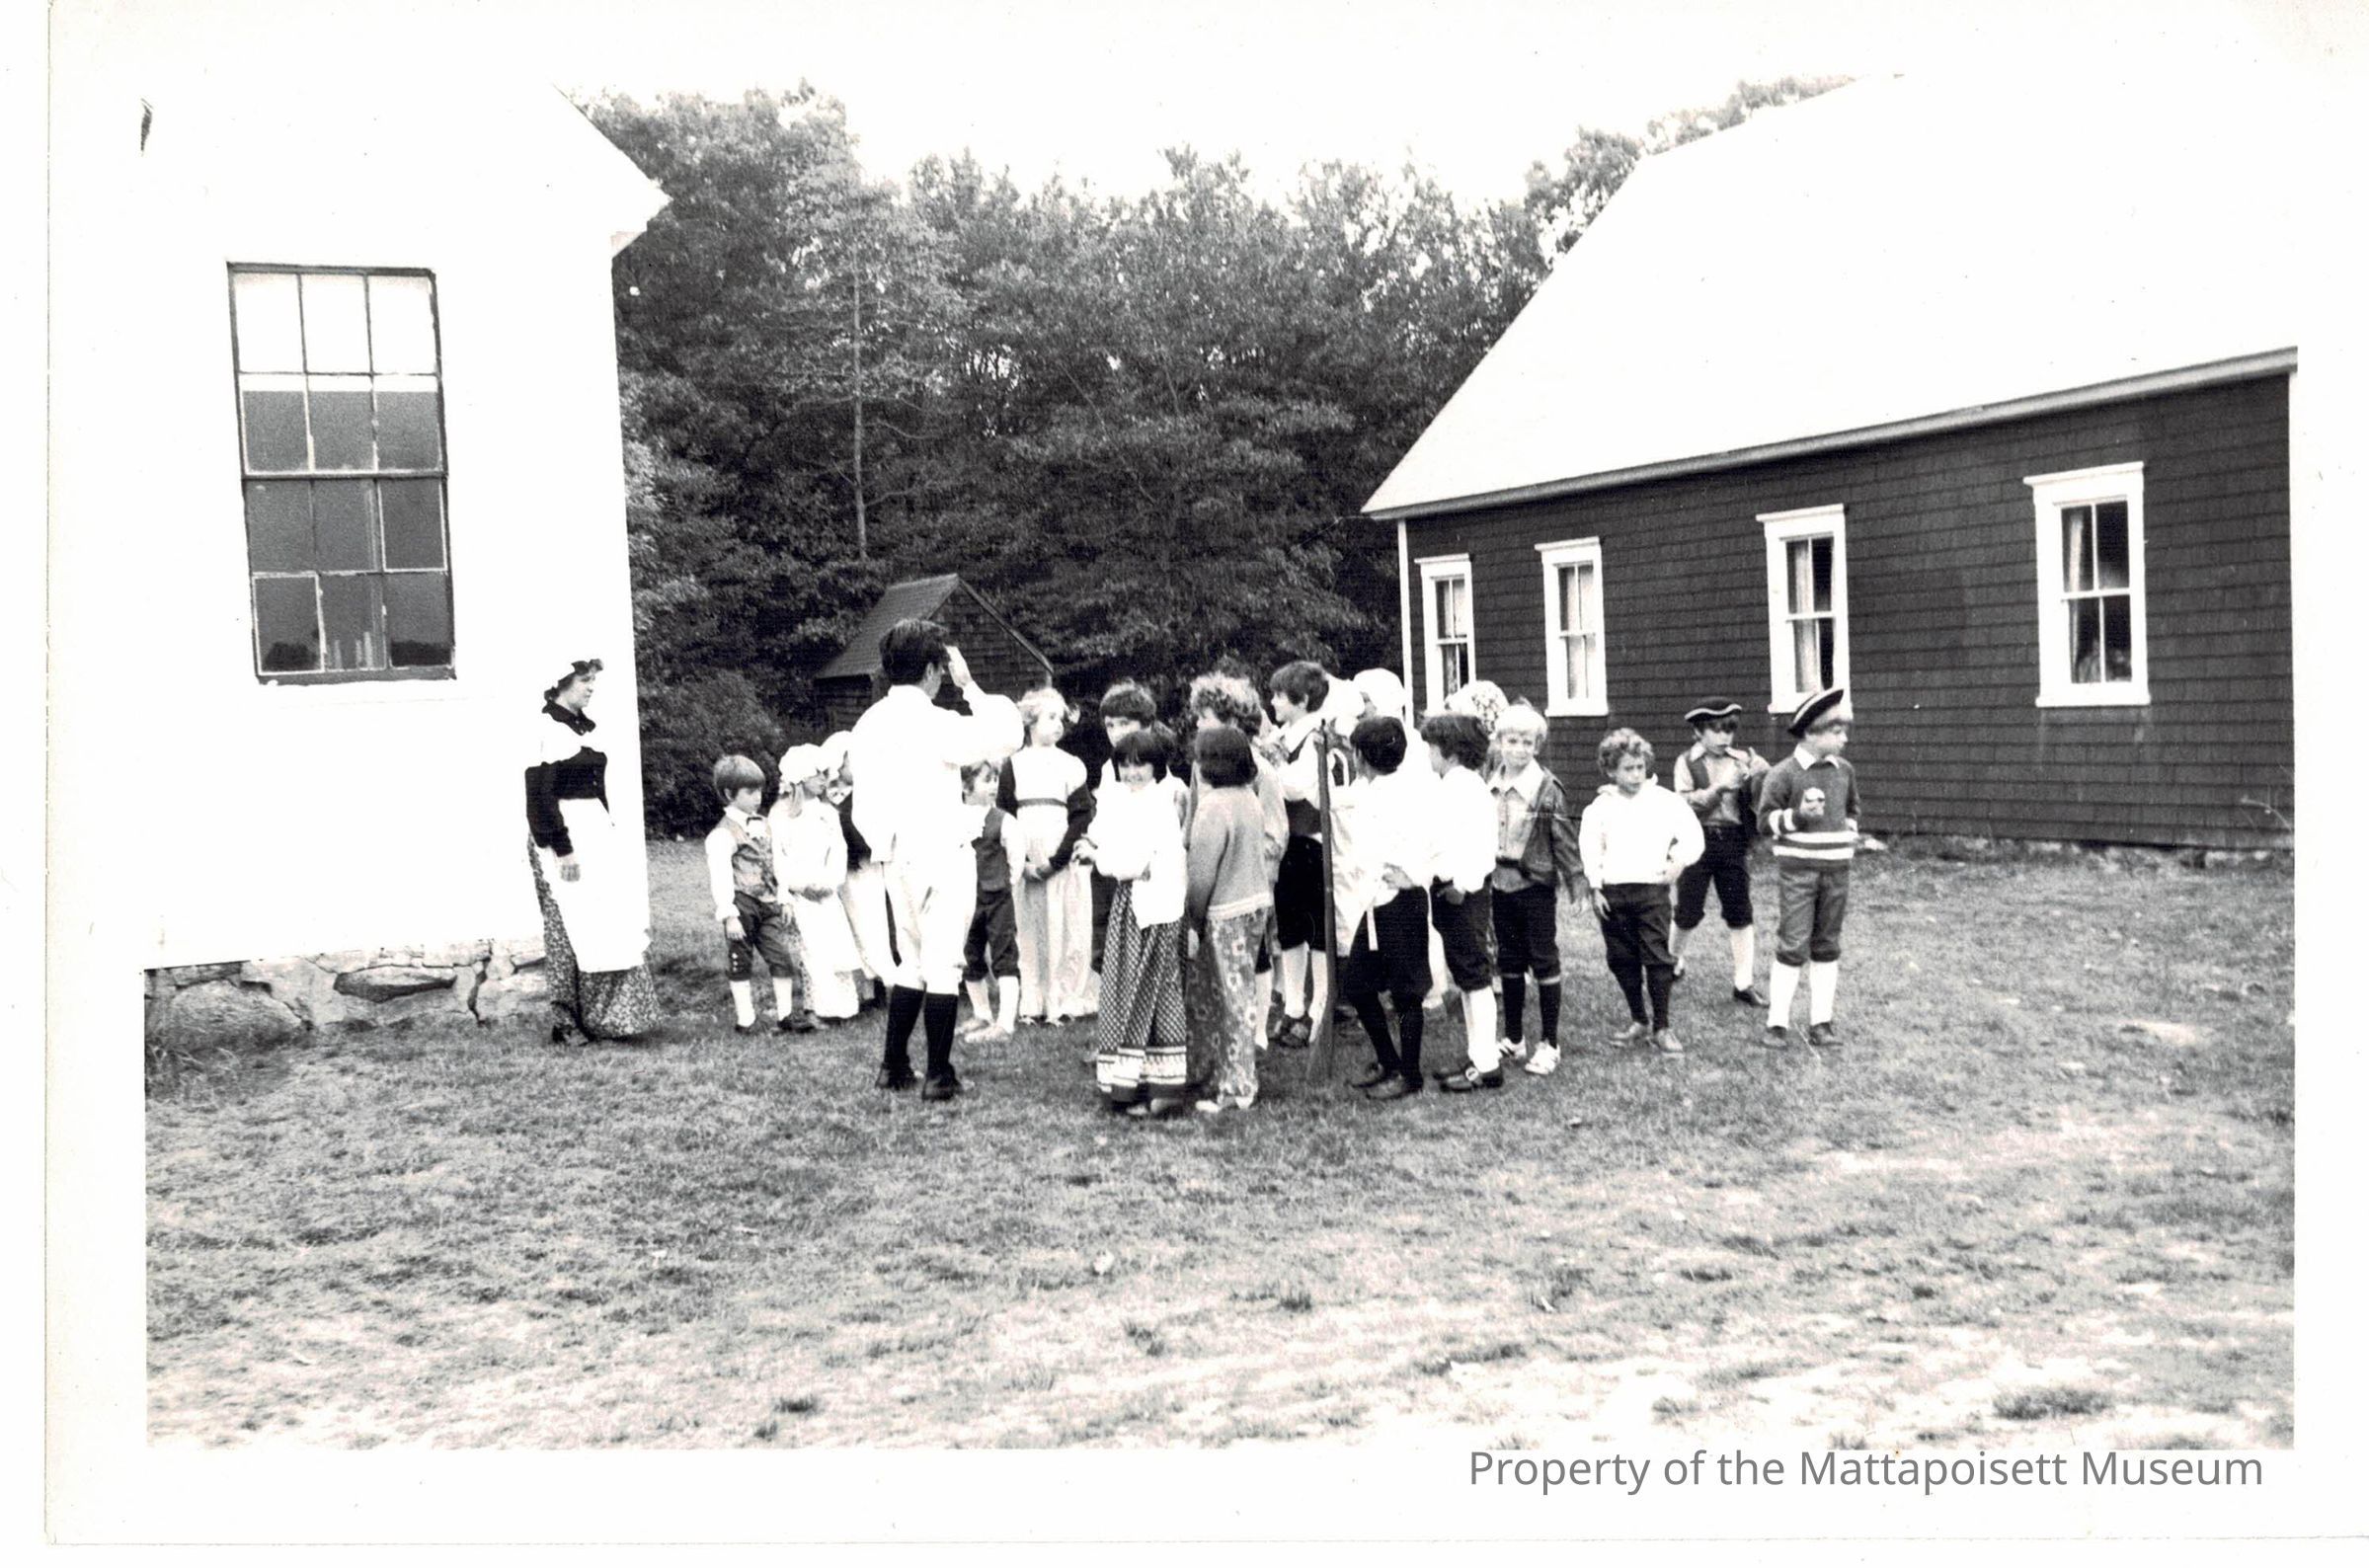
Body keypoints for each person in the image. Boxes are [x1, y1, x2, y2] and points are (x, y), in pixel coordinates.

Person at [845, 619, 1023, 1100]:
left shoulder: (867, 724)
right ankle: (939, 1075)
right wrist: (970, 686)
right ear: (930, 670)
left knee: (911, 960)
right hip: (939, 853)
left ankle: (894, 1066)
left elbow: (861, 805)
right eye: (941, 670)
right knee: (943, 963)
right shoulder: (934, 722)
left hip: (894, 854)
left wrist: (885, 843)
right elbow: (1008, 736)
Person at [524, 658, 657, 1044]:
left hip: (594, 835)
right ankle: (565, 1021)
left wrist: (607, 834)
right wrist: (562, 848)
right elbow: (539, 798)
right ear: (561, 682)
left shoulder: (584, 728)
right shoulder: (545, 729)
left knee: (602, 922)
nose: (591, 687)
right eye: (584, 680)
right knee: (566, 926)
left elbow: (598, 792)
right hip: (562, 837)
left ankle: (606, 1019)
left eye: (593, 679)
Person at [1079, 727, 1191, 1116]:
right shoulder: (1124, 799)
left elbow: (1135, 863)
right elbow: (1103, 835)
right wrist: (1095, 846)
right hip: (1133, 904)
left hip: (1156, 909)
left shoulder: (1160, 803)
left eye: (1140, 764)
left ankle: (1163, 1088)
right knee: (1127, 990)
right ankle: (1131, 1085)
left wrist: (1100, 858)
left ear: (1155, 765)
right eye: (1125, 765)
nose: (1132, 772)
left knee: (1154, 991)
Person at [1579, 728, 1704, 1056]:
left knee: (1658, 957)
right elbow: (1591, 848)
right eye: (1627, 769)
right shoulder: (1600, 807)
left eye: (1640, 767)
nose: (1636, 775)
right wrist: (1595, 886)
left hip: (1651, 891)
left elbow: (1693, 837)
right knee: (1622, 958)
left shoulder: (1665, 801)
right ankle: (1639, 1019)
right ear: (1611, 771)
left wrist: (1678, 862)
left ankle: (1662, 1026)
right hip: (1613, 893)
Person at [1185, 670, 1290, 1056]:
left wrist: (1256, 872)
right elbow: (1194, 820)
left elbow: (1275, 832)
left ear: (1230, 719)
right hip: (1210, 877)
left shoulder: (1259, 769)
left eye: (1205, 717)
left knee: (1254, 956)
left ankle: (1256, 1029)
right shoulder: (1202, 767)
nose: (1198, 724)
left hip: (1248, 883)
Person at [1335, 714, 1436, 1101]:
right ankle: (1389, 1061)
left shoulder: (1405, 793)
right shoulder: (1369, 790)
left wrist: (1414, 874)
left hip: (1400, 902)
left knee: (1406, 992)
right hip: (1376, 904)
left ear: (1360, 756)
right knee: (1357, 985)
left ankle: (1409, 1075)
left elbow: (1428, 839)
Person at [1486, 701, 1587, 1078]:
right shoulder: (1489, 783)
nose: (1519, 749)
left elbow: (1564, 839)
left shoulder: (1546, 789)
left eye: (1527, 742)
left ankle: (1550, 1043)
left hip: (1535, 885)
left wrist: (1576, 881)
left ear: (1537, 746)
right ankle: (1514, 1038)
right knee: (1509, 961)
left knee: (1543, 959)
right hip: (1500, 884)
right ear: (1499, 742)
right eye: (1512, 741)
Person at [1757, 685, 1860, 1051]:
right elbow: (1765, 821)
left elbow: (1852, 809)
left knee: (1827, 944)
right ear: (1812, 733)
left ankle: (1821, 1023)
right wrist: (1798, 817)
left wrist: (1848, 833)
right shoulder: (1784, 773)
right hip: (1798, 873)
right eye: (1837, 731)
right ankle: (1777, 1024)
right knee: (1793, 944)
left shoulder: (1844, 771)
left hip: (1837, 872)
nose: (1844, 739)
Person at [1183, 725, 1272, 1113]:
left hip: (1224, 912)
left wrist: (1193, 919)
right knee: (1217, 995)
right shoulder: (1249, 798)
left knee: (1230, 1000)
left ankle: (1238, 1087)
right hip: (1254, 905)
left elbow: (1202, 874)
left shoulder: (1213, 806)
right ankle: (1208, 1071)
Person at [999, 687, 1097, 1025]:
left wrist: (1056, 861)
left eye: (1061, 718)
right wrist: (1023, 862)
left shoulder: (1070, 764)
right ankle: (1033, 1000)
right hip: (1026, 859)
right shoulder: (1013, 765)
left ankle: (1062, 999)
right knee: (1029, 930)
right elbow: (1005, 815)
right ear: (1030, 721)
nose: (1058, 724)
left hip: (1060, 857)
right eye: (1050, 717)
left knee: (1064, 926)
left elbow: (1082, 815)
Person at [1419, 711, 1503, 1092]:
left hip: (1463, 893)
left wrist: (1463, 886)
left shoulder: (1466, 789)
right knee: (1467, 977)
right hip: (1450, 890)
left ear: (1449, 751)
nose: (1428, 755)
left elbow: (1481, 847)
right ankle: (1477, 1053)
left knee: (1474, 977)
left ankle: (1487, 1064)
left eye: (1431, 748)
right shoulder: (1452, 785)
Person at [1670, 699, 1773, 1006]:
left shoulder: (1743, 760)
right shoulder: (1685, 762)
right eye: (1715, 730)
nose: (1724, 737)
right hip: (1696, 840)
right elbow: (1684, 804)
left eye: (1729, 730)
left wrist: (1762, 776)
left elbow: (1760, 801)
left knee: (1740, 912)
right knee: (1688, 910)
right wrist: (1721, 787)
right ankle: (1671, 962)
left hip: (1732, 841)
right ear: (1698, 732)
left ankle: (1743, 983)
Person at [704, 754, 811, 1035]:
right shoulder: (722, 834)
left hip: (768, 902)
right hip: (741, 903)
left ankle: (786, 1015)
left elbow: (778, 862)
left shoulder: (765, 825)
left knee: (781, 957)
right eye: (749, 792)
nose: (757, 798)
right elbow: (720, 875)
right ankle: (746, 1020)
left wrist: (784, 897)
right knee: (741, 959)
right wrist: (729, 914)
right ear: (730, 794)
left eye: (759, 791)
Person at [1267, 661, 1338, 1049]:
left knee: (1316, 930)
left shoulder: (1317, 737)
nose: (1273, 702)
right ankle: (1293, 1006)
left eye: (1280, 696)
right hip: (1287, 841)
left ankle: (1319, 1008)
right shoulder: (1283, 734)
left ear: (1304, 700)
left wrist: (1275, 762)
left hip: (1312, 841)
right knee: (1290, 928)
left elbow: (1296, 787)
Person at [772, 744, 863, 1022]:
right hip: (801, 893)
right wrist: (794, 887)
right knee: (813, 951)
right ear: (801, 777)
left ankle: (843, 1008)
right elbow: (779, 855)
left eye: (826, 773)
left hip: (826, 890)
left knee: (835, 948)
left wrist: (830, 882)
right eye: (818, 774)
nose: (824, 779)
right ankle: (817, 1009)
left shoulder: (828, 813)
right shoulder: (781, 814)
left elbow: (838, 851)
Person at [823, 730, 894, 1011]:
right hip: (839, 874)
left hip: (866, 868)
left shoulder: (867, 795)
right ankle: (864, 988)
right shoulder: (828, 799)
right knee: (851, 928)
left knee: (873, 924)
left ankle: (885, 983)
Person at [960, 761, 1023, 1044]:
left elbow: (1016, 858)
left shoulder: (1003, 820)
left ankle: (1005, 1023)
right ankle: (982, 1014)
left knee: (1004, 955)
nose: (994, 785)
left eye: (995, 779)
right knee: (969, 955)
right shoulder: (954, 818)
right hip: (966, 899)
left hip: (997, 899)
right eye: (986, 780)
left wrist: (1005, 883)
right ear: (965, 786)